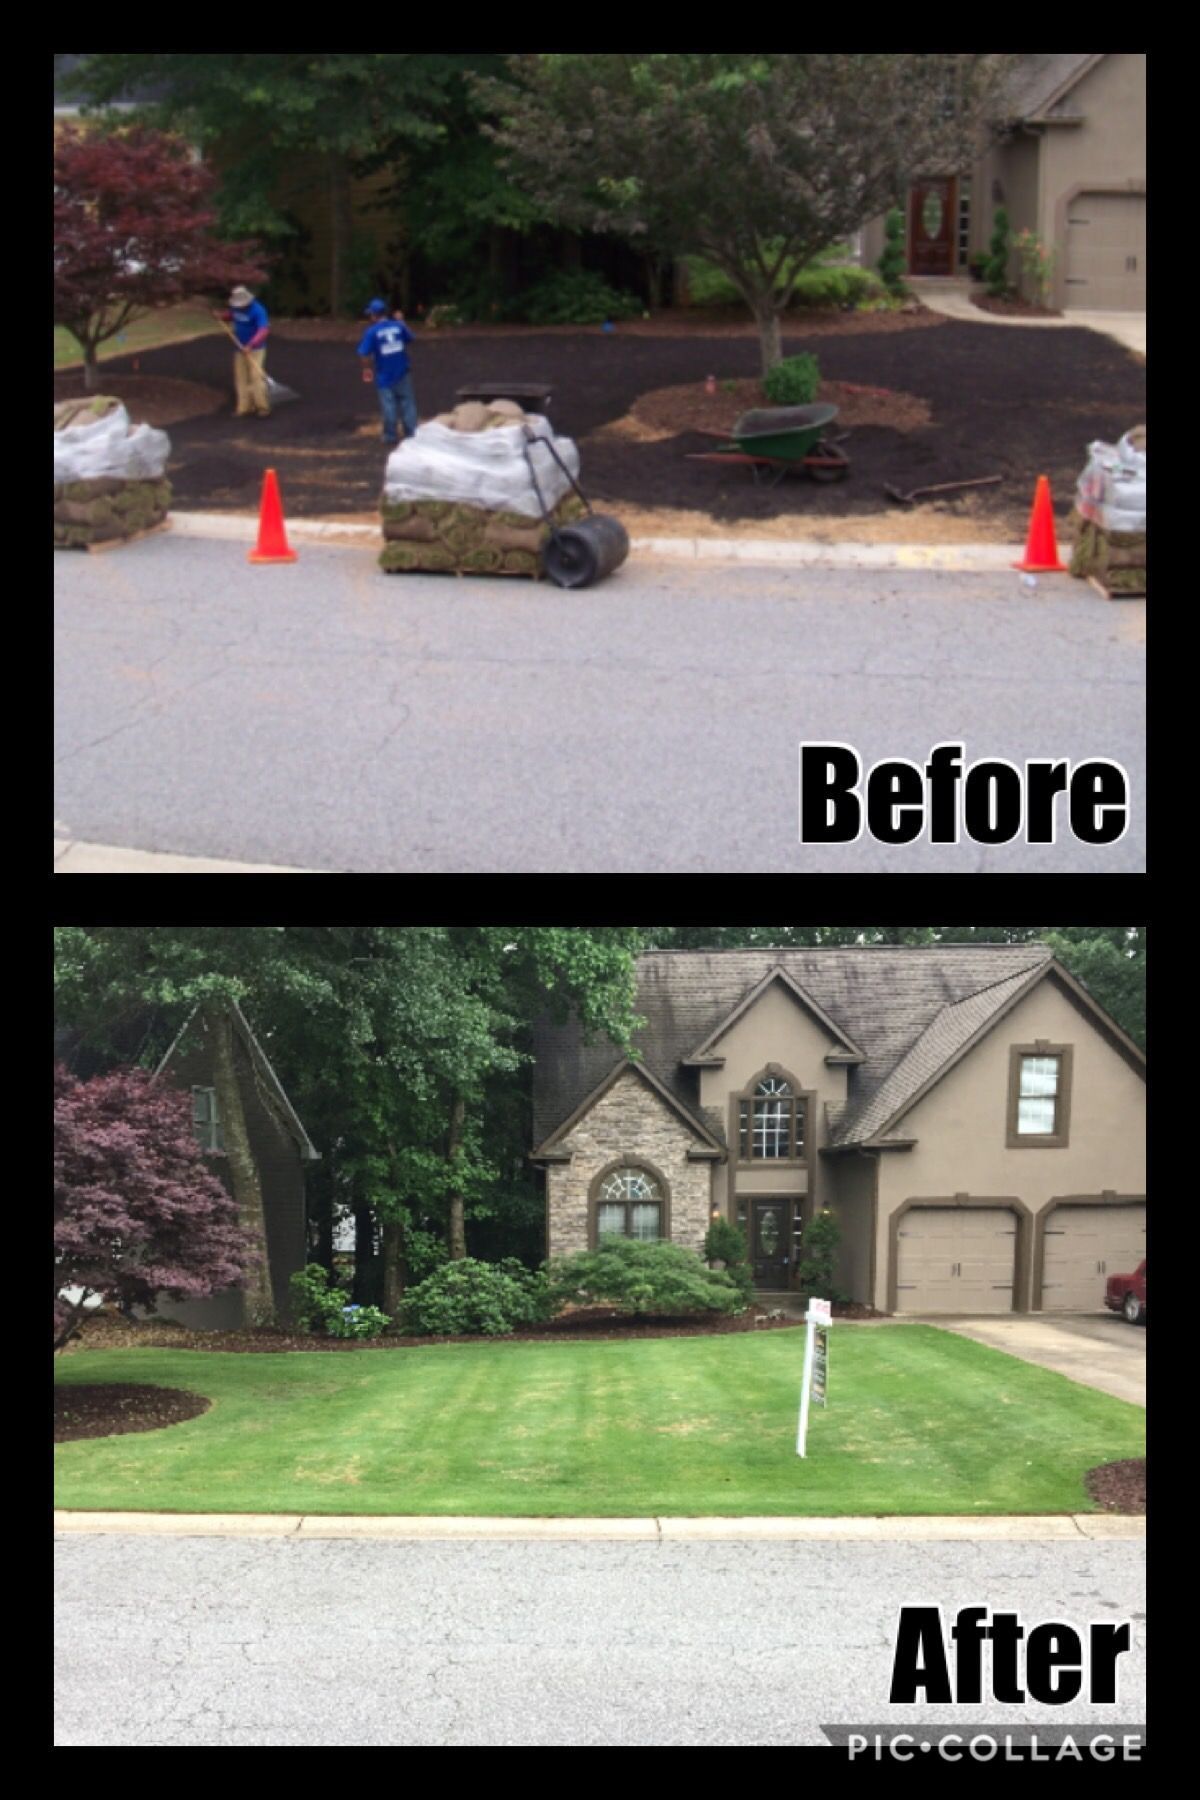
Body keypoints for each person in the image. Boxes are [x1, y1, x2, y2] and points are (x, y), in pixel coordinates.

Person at [357, 298, 417, 446]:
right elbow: (411, 338)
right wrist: (402, 321)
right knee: (407, 403)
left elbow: (363, 353)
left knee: (389, 406)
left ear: (373, 315)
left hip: (384, 374)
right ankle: (411, 433)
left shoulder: (372, 332)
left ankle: (390, 435)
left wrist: (367, 369)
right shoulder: (398, 326)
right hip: (402, 371)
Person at [214, 285, 271, 418]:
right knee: (241, 377)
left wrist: (251, 345)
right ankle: (244, 408)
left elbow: (263, 330)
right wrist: (222, 316)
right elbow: (232, 315)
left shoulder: (258, 310)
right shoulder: (236, 308)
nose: (240, 307)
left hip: (256, 349)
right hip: (240, 348)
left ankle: (262, 407)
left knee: (255, 376)